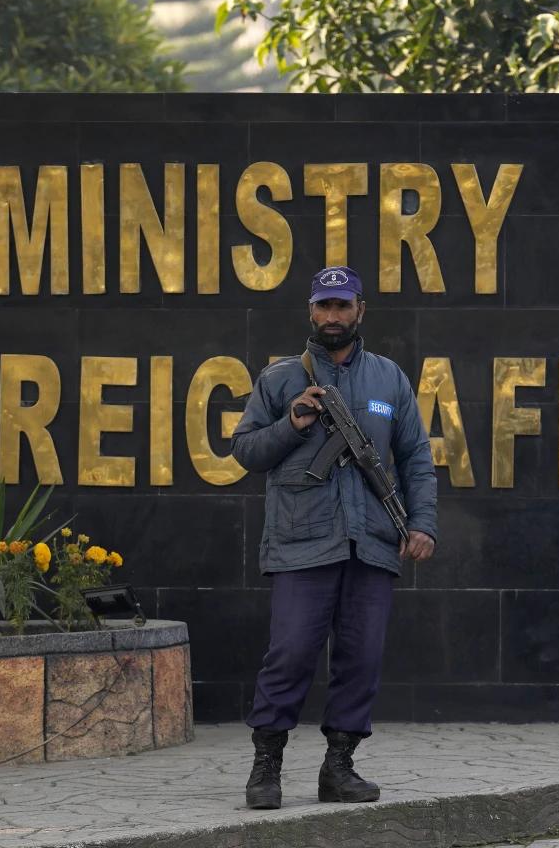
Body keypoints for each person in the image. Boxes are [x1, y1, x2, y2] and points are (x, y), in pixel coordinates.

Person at [230, 265, 438, 810]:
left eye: (342, 306)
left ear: (359, 311)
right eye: (324, 306)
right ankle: (266, 766)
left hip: (370, 542)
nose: (332, 316)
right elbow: (245, 451)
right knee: (291, 654)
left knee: (361, 658)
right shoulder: (279, 379)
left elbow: (416, 456)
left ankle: (339, 768)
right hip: (302, 543)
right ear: (310, 311)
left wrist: (422, 523)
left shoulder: (389, 378)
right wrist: (292, 424)